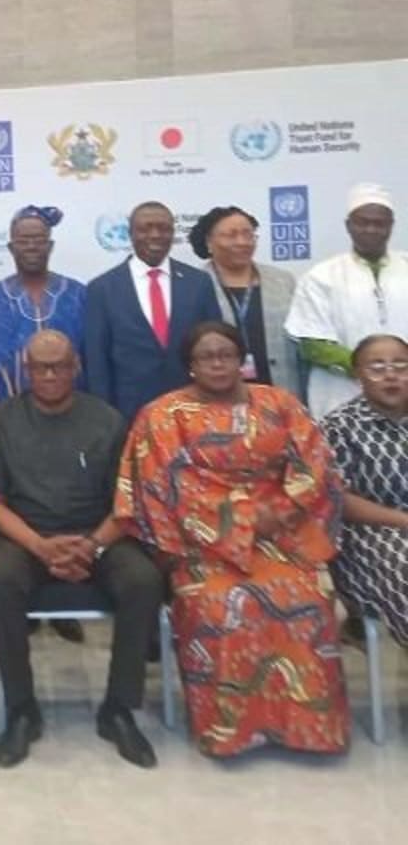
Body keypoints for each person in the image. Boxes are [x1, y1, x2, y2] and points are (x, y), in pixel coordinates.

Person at [115, 322, 348, 757]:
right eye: (207, 356)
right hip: (201, 544)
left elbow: (315, 469)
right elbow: (161, 487)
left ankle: (307, 728)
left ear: (242, 359)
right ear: (190, 366)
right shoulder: (163, 416)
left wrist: (275, 513)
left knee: (306, 596)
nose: (218, 363)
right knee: (222, 604)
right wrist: (240, 521)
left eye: (227, 354)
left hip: (283, 533)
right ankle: (230, 733)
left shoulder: (280, 404)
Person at [0, 331, 162, 769]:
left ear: (76, 367)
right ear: (26, 371)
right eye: (40, 367)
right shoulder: (2, 420)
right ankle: (23, 709)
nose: (50, 375)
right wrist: (41, 547)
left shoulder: (107, 419)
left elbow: (127, 501)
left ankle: (118, 709)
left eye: (59, 366)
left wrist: (93, 545)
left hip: (98, 532)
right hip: (27, 535)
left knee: (143, 580)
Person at [0, 205, 87, 427]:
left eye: (39, 240)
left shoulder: (79, 297)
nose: (31, 247)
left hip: (73, 419)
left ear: (50, 246)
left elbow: (95, 361)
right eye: (23, 241)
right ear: (11, 248)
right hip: (9, 425)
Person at [85, 200, 222, 421]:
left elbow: (215, 346)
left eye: (164, 228)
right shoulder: (102, 289)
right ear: (130, 234)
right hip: (130, 413)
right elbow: (97, 361)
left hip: (194, 410)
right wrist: (105, 417)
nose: (155, 235)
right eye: (145, 228)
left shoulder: (199, 283)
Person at [285, 183, 408, 417]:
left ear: (391, 226)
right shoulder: (321, 276)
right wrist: (373, 370)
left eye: (379, 223)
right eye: (362, 222)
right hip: (341, 394)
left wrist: (395, 371)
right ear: (348, 225)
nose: (371, 229)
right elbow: (313, 344)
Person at [320, 335, 408, 648]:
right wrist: (402, 521)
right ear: (358, 375)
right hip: (367, 535)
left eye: (400, 365)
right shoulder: (340, 425)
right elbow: (337, 498)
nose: (391, 374)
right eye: (378, 367)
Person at [189, 206, 301, 395]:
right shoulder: (195, 284)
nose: (242, 242)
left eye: (248, 234)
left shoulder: (283, 280)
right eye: (231, 235)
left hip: (281, 391)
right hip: (219, 395)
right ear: (209, 241)